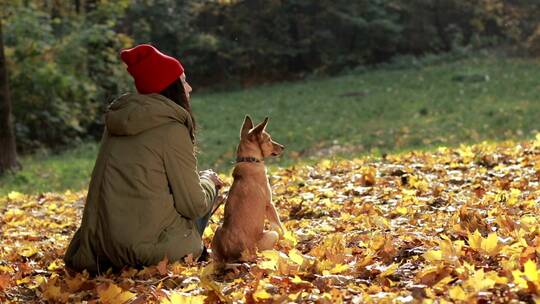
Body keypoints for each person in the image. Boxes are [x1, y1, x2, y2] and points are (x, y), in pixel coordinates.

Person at [64, 44, 223, 274]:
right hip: (145, 251)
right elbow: (193, 204)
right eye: (183, 81)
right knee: (205, 190)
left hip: (101, 248)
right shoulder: (171, 129)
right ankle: (193, 251)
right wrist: (208, 181)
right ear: (172, 88)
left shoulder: (118, 122)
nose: (189, 87)